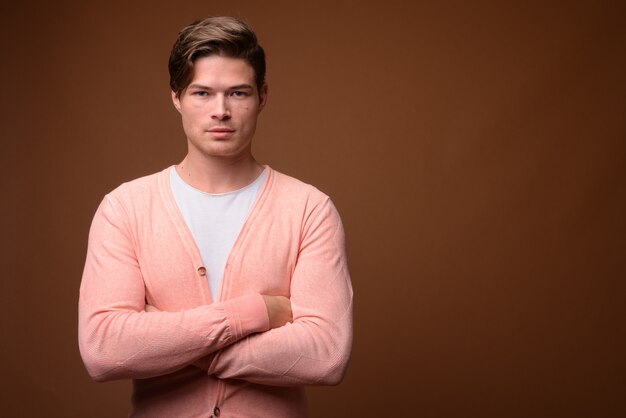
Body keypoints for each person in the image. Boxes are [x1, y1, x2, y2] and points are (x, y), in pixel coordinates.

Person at [78, 16, 353, 418]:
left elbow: (326, 354)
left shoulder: (309, 209)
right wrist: (256, 313)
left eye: (238, 93)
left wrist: (169, 341)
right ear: (176, 97)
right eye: (202, 93)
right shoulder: (125, 208)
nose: (221, 111)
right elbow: (103, 349)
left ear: (262, 96)